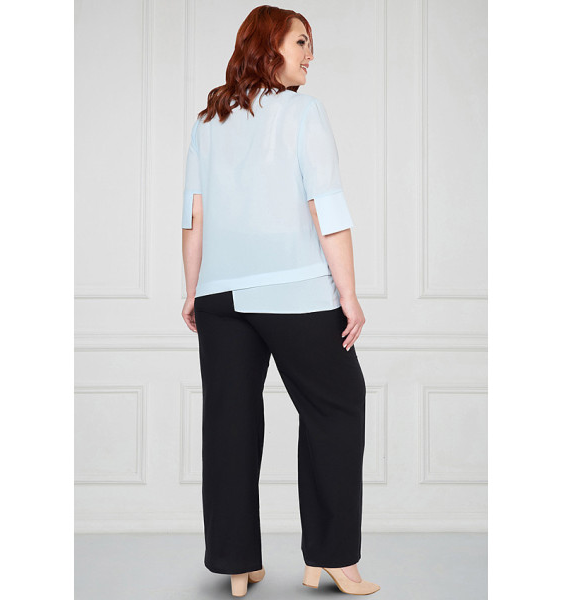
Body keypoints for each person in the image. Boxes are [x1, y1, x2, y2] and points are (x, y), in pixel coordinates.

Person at [181, 5, 380, 597]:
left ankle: (236, 563)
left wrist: (192, 290)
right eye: (300, 43)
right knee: (336, 408)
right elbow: (326, 205)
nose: (310, 55)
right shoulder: (303, 112)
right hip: (295, 290)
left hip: (220, 296)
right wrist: (349, 295)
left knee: (229, 422)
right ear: (268, 46)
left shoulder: (208, 122)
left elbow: (193, 215)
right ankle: (333, 558)